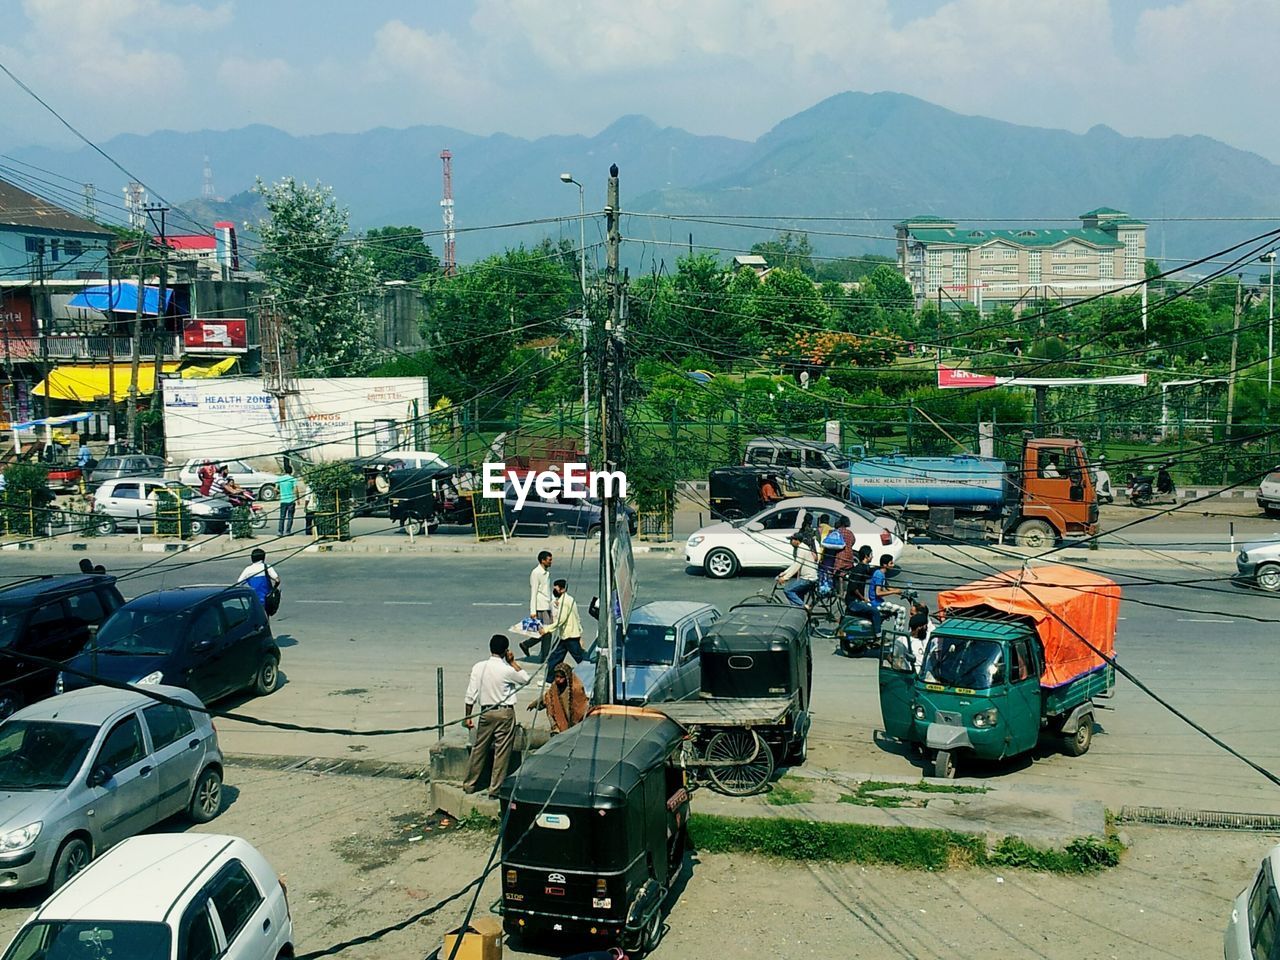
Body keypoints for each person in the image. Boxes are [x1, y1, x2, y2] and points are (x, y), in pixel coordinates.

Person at [462, 634, 531, 797]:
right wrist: (513, 661)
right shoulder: (507, 670)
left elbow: (470, 695)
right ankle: (495, 788)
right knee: (502, 751)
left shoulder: (478, 667)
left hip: (486, 712)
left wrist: (468, 717)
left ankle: (470, 784)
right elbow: (525, 679)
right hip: (504, 712)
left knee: (479, 749)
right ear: (506, 651)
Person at [527, 661, 588, 735]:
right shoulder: (555, 686)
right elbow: (548, 696)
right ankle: (556, 729)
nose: (558, 679)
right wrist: (535, 703)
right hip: (560, 721)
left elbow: (581, 708)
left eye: (561, 677)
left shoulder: (575, 688)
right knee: (550, 703)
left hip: (573, 721)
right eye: (557, 676)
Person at [539, 579, 586, 669]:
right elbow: (577, 616)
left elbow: (561, 620)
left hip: (569, 636)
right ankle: (549, 680)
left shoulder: (563, 602)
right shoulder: (570, 599)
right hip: (567, 636)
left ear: (562, 589)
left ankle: (592, 672)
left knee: (580, 658)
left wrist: (546, 629)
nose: (554, 591)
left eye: (556, 589)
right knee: (555, 658)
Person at [521, 551, 554, 656]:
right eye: (549, 560)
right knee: (547, 632)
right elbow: (534, 592)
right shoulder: (536, 573)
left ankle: (527, 644)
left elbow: (546, 590)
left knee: (545, 632)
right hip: (541, 607)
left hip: (547, 605)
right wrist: (533, 611)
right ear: (543, 560)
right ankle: (544, 656)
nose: (551, 562)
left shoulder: (546, 572)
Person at [868, 553, 905, 639]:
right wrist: (894, 591)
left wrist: (900, 592)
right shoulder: (879, 575)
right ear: (885, 565)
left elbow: (887, 588)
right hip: (876, 603)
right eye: (891, 563)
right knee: (901, 610)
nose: (893, 565)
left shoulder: (880, 573)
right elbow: (878, 593)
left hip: (878, 602)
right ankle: (898, 637)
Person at [776, 532, 818, 607]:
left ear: (797, 541)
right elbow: (795, 564)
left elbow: (797, 565)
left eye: (791, 540)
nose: (790, 542)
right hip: (806, 577)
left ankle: (804, 607)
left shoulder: (801, 548)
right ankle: (800, 610)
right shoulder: (799, 548)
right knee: (798, 594)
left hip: (808, 578)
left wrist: (785, 578)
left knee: (788, 590)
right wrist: (784, 573)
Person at [276, 464, 298, 536]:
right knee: (290, 517)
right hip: (291, 500)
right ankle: (288, 531)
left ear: (285, 471)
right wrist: (298, 499)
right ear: (291, 472)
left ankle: (280, 532)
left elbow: (276, 489)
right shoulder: (293, 479)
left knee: (282, 517)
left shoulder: (280, 479)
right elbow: (295, 490)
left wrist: (280, 493)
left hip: (283, 500)